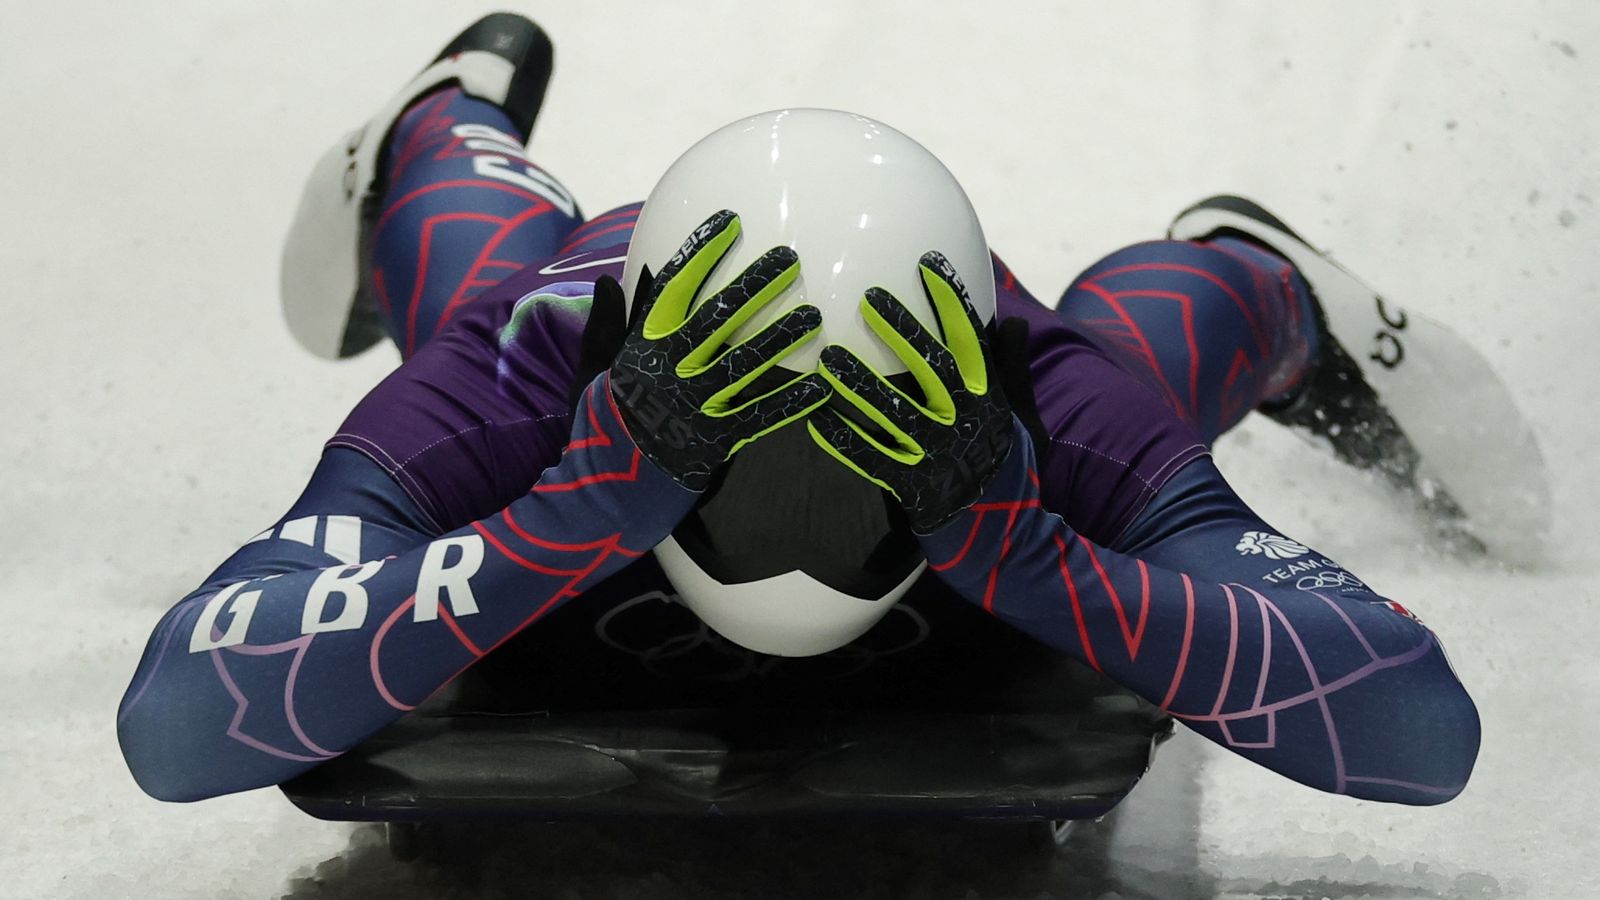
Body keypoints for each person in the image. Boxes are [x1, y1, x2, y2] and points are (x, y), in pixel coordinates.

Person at [117, 13, 1479, 806]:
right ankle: (440, 127)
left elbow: (1425, 734)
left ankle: (1255, 274)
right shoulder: (519, 375)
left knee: (1146, 355)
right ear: (625, 374)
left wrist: (1035, 551)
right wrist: (560, 515)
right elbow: (168, 728)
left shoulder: (1056, 403)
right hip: (555, 317)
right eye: (736, 439)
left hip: (1002, 408)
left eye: (866, 451)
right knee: (486, 282)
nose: (801, 519)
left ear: (974, 379)